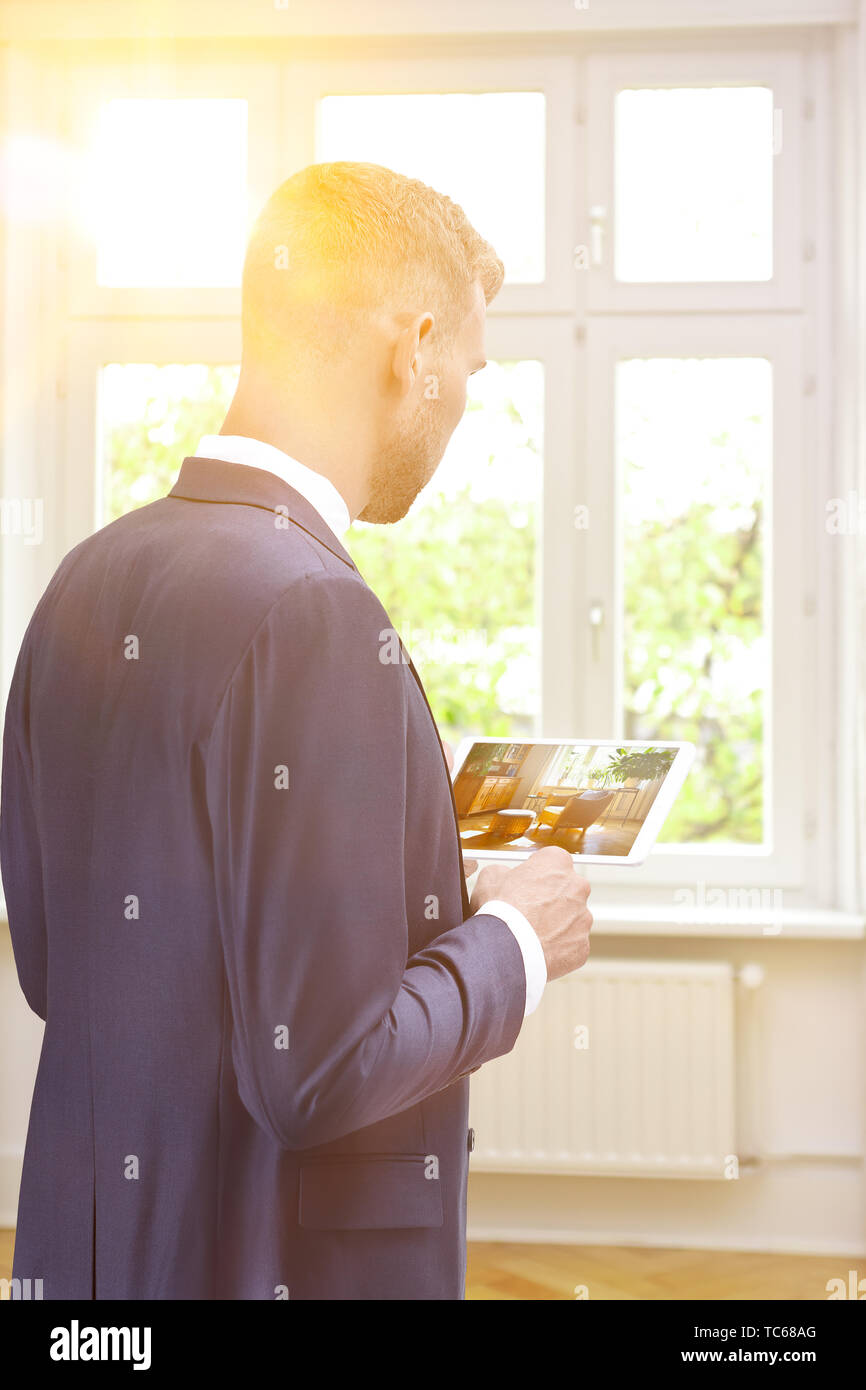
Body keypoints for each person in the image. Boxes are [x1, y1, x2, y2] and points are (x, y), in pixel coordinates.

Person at [0, 162, 592, 1300]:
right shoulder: (316, 610)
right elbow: (320, 1068)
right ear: (408, 346)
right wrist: (516, 938)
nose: (462, 403)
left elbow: (57, 962)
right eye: (465, 369)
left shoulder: (84, 579)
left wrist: (397, 902)